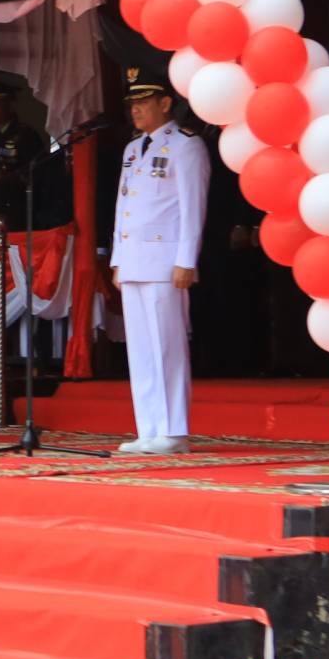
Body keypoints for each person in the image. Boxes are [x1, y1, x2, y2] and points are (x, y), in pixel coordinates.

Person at [110, 69, 209, 455]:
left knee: (167, 345)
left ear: (165, 103)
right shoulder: (132, 149)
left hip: (165, 260)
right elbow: (124, 206)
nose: (135, 109)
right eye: (132, 103)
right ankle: (149, 428)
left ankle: (174, 430)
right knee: (140, 348)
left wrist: (187, 259)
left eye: (143, 102)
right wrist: (118, 258)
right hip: (135, 258)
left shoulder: (185, 145)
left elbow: (192, 206)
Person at [0, 80, 44, 232]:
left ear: (11, 104)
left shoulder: (26, 135)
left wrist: (10, 177)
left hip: (13, 214)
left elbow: (39, 174)